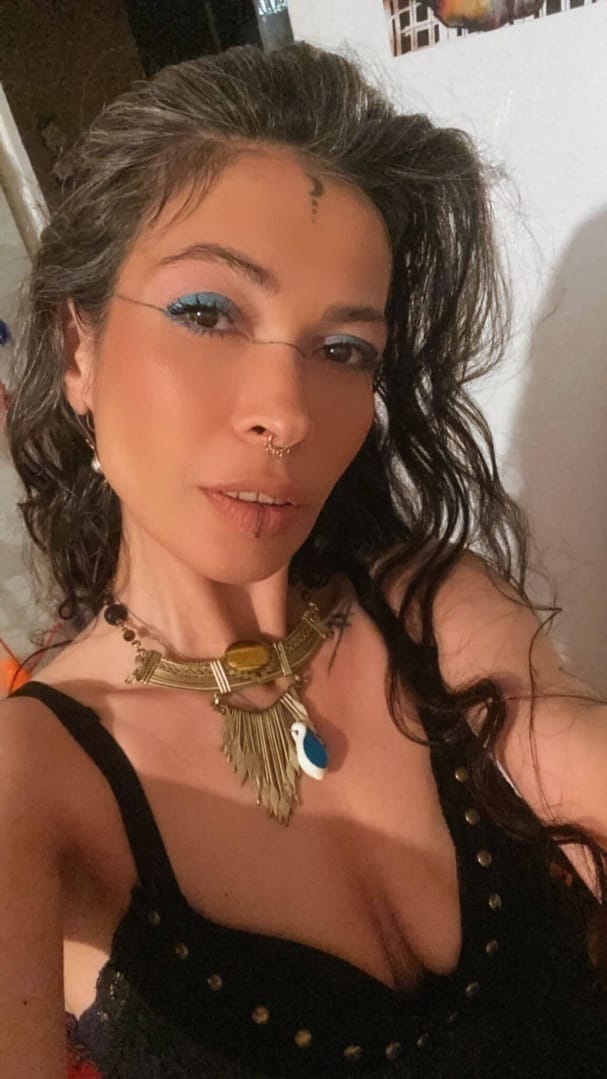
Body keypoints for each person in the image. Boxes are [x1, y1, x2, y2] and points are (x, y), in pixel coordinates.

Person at [1, 40, 606, 1079]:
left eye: (342, 349)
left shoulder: (432, 608)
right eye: (206, 313)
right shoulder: (36, 779)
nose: (284, 411)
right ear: (77, 351)